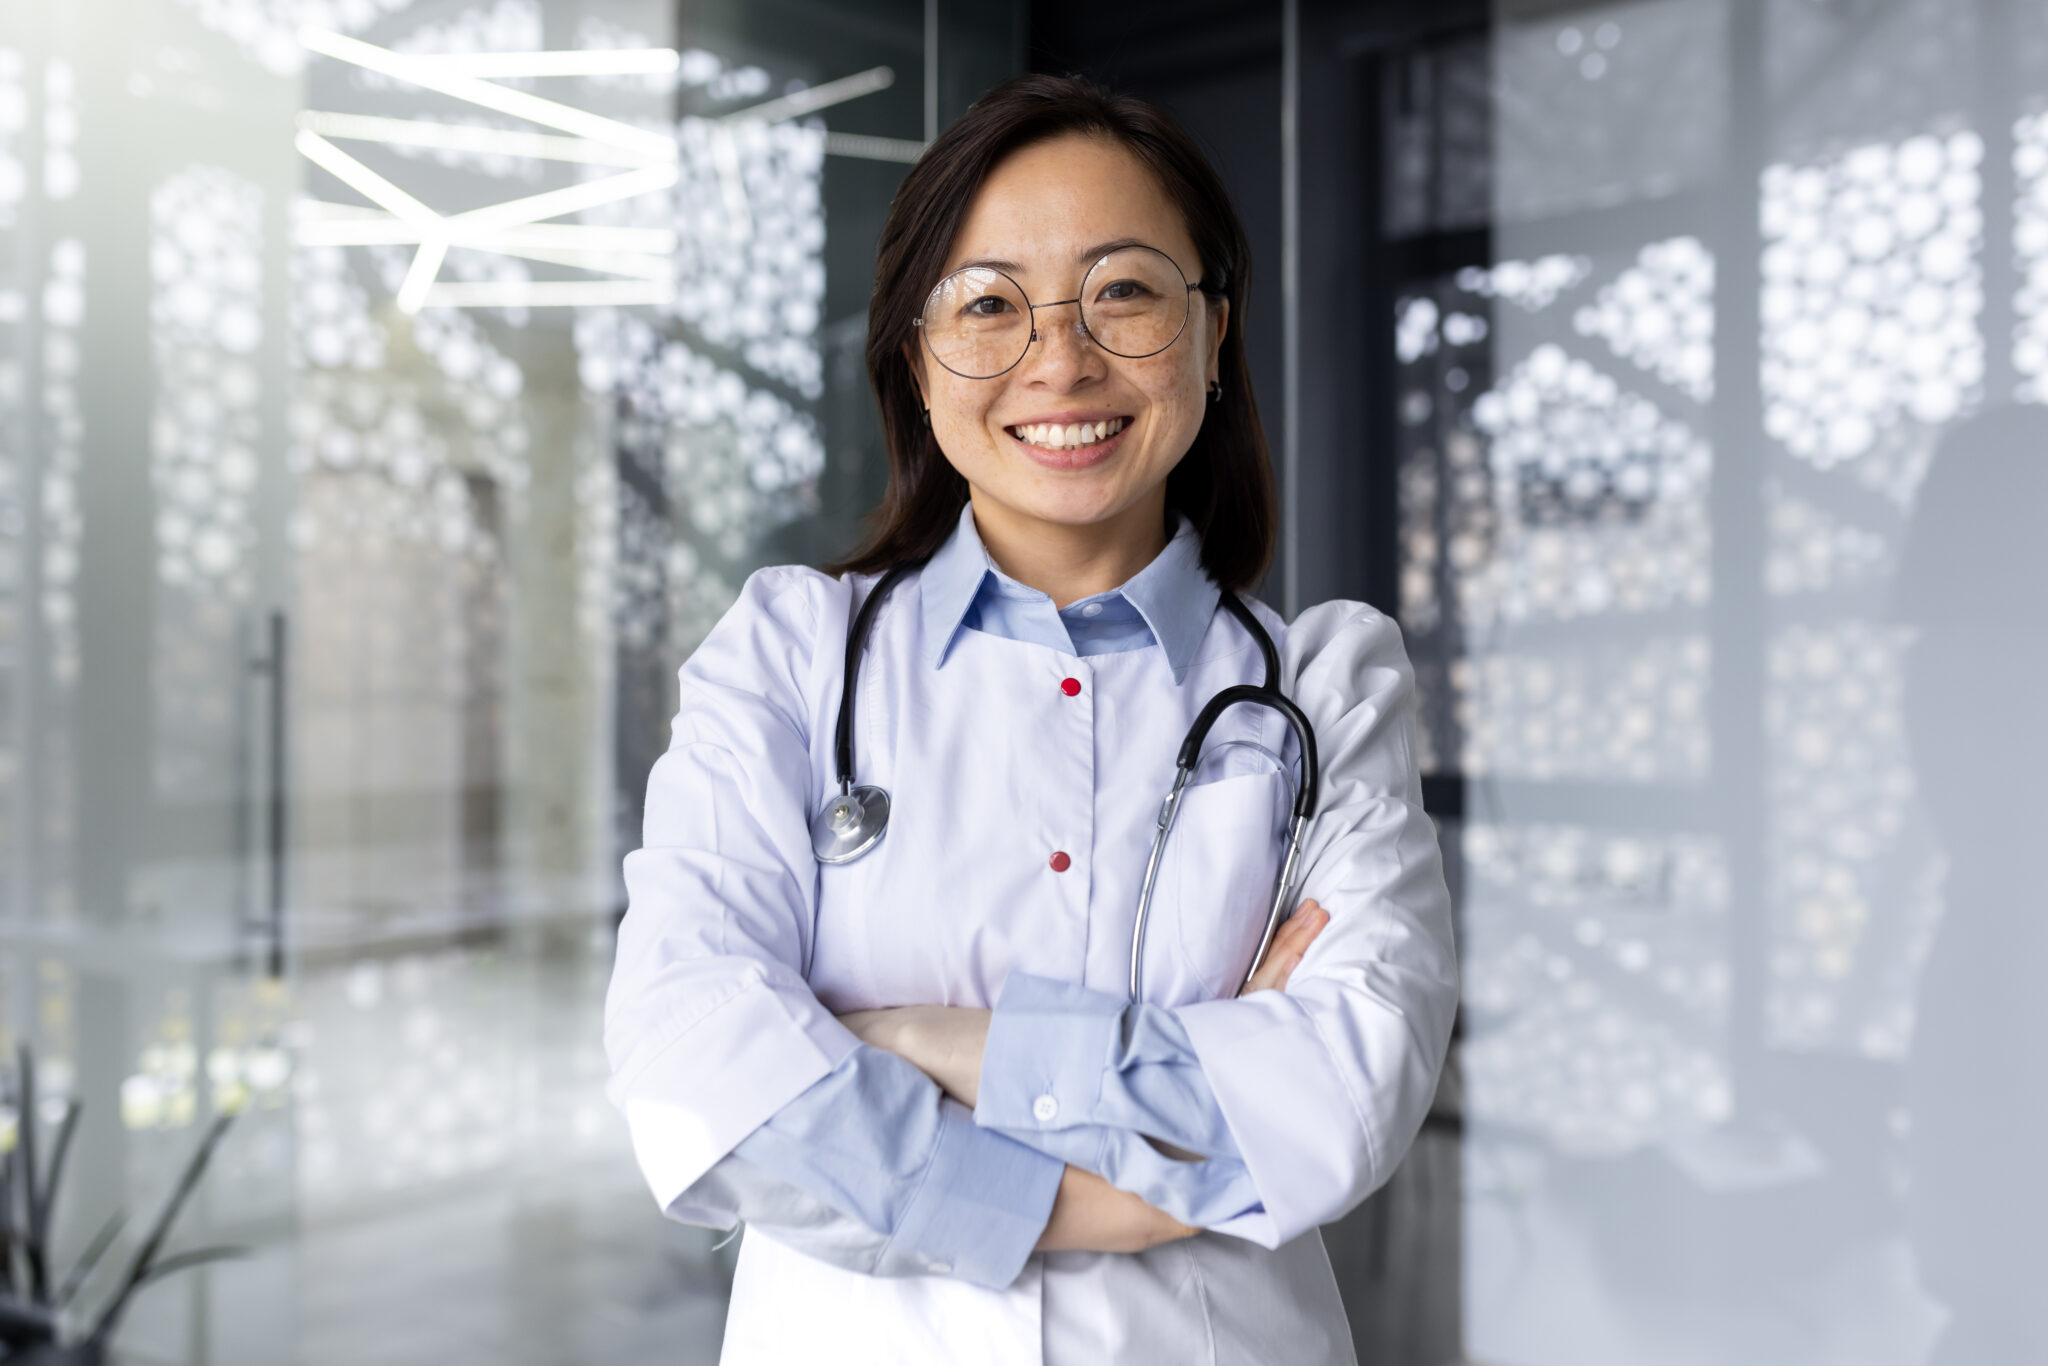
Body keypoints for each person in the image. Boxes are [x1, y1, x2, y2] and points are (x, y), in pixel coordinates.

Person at [603, 74, 1458, 1365]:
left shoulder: (1326, 686)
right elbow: (694, 1058)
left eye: (1122, 290)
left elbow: (1342, 1093)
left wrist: (916, 1043)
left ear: (1214, 332)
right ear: (916, 357)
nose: (1059, 360)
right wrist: (1117, 1193)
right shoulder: (788, 653)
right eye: (990, 304)